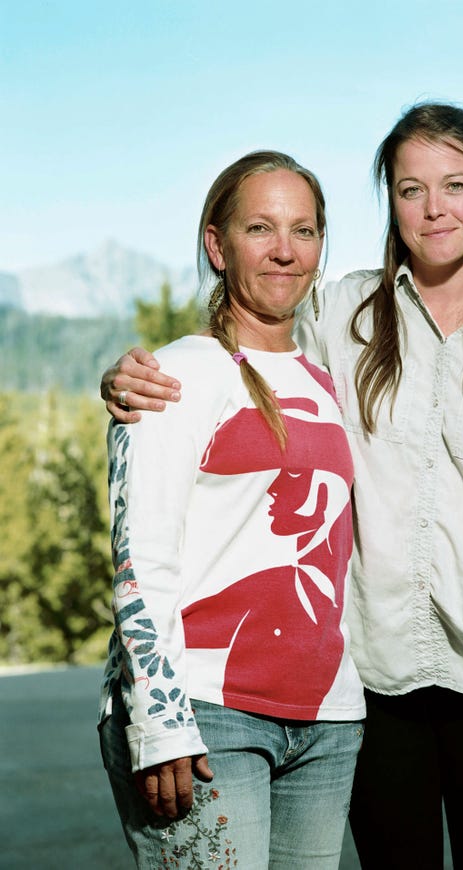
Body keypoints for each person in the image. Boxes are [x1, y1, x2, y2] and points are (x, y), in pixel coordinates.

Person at [102, 103, 463, 869]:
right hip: (371, 674)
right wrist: (128, 380)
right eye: (409, 188)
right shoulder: (342, 311)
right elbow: (251, 345)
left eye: (454, 184)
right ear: (389, 200)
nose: (433, 207)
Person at [98, 150, 365, 870]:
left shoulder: (326, 377)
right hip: (207, 713)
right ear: (218, 246)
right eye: (261, 228)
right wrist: (160, 726)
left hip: (328, 719)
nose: (285, 250)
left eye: (304, 231)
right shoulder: (175, 374)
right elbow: (139, 556)